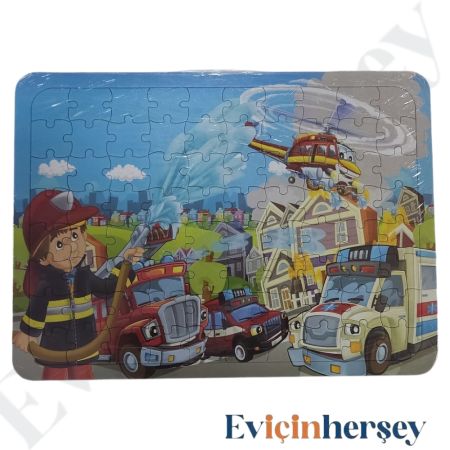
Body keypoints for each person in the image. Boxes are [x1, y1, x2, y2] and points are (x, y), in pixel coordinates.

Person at [13, 190, 144, 380]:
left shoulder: (85, 276)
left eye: (75, 236)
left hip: (85, 347)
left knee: (84, 380)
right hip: (54, 350)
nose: (72, 247)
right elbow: (36, 311)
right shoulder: (46, 285)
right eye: (59, 244)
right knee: (53, 381)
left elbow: (108, 289)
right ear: (43, 257)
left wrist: (126, 267)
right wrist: (27, 334)